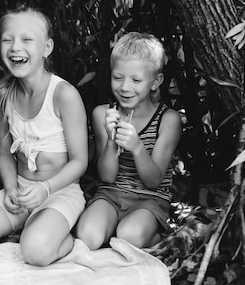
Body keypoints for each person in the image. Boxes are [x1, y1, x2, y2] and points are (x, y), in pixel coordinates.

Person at [0, 7, 88, 266]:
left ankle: (63, 238)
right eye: (8, 39)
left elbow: (80, 161)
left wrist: (45, 188)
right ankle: (31, 226)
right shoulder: (3, 93)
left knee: (35, 252)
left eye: (27, 40)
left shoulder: (64, 95)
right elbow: (5, 153)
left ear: (47, 48)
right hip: (20, 190)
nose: (16, 47)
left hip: (59, 191)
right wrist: (10, 188)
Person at [75, 32, 182, 249]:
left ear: (156, 82)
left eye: (136, 80)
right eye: (118, 77)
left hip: (149, 200)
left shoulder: (168, 120)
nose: (125, 87)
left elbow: (154, 181)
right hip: (111, 194)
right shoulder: (102, 114)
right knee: (87, 236)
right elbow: (107, 176)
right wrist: (111, 141)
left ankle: (158, 237)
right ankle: (119, 231)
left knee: (128, 236)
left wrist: (137, 147)